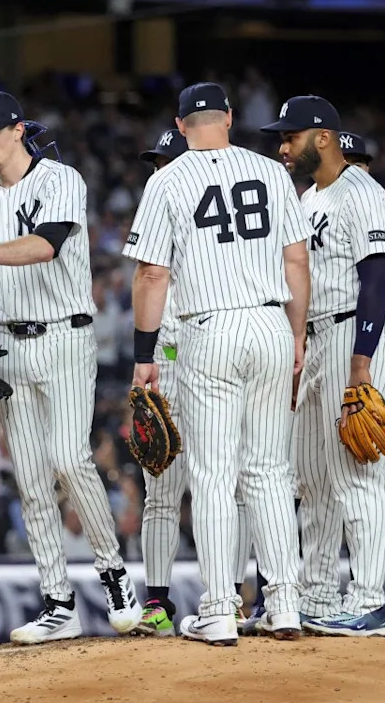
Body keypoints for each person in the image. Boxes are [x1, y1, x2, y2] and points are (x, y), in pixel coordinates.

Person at [0, 90, 142, 644]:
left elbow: (44, 245)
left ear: (18, 130)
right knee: (29, 478)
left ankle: (114, 576)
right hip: (12, 344)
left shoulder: (61, 179)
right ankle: (57, 602)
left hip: (66, 337)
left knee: (70, 459)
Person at [127, 83, 310, 645]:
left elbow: (152, 274)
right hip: (271, 322)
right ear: (229, 117)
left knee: (212, 475)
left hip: (210, 327)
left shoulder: (167, 180)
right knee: (269, 472)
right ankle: (285, 605)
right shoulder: (272, 172)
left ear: (180, 125)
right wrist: (297, 335)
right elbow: (297, 261)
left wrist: (143, 355)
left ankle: (219, 609)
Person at [260, 97, 385, 636]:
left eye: (290, 137)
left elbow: (376, 278)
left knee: (356, 475)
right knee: (313, 479)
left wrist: (362, 362)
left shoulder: (362, 192)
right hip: (315, 337)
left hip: (350, 333)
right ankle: (317, 594)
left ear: (323, 137)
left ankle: (369, 601)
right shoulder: (308, 197)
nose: (283, 146)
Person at [129, 129, 253, 637]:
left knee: (227, 487)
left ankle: (231, 598)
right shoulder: (155, 229)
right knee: (160, 493)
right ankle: (157, 602)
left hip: (212, 362)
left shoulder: (219, 239)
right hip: (166, 366)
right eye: (156, 164)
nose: (159, 172)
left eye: (167, 163)